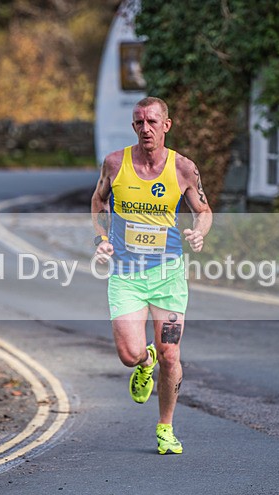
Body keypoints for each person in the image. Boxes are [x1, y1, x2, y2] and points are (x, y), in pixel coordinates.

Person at [90, 96, 212, 454]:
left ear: (166, 125)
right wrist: (102, 238)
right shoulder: (114, 163)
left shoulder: (184, 169)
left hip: (168, 274)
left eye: (153, 122)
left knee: (171, 354)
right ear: (133, 126)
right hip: (126, 274)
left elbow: (203, 209)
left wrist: (199, 231)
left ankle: (165, 428)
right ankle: (144, 364)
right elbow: (99, 201)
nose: (146, 128)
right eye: (139, 122)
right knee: (129, 354)